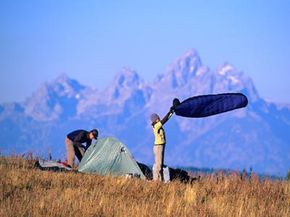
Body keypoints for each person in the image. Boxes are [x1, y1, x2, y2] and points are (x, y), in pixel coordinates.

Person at [151, 107, 174, 181]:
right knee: (159, 165)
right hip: (158, 147)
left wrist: (171, 112)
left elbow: (165, 120)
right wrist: (169, 112)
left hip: (160, 146)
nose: (159, 118)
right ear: (156, 119)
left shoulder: (157, 125)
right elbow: (164, 120)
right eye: (158, 117)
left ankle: (160, 180)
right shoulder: (156, 126)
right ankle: (157, 181)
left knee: (160, 164)